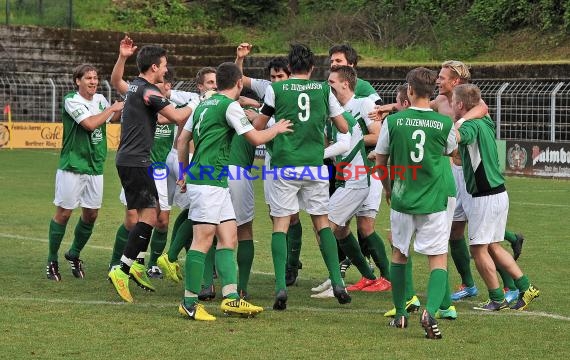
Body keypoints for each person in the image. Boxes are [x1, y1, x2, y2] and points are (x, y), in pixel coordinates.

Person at [176, 62, 292, 321]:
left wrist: (184, 172)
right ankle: (189, 302)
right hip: (208, 182)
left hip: (212, 180)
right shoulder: (229, 106)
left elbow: (182, 141)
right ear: (239, 83)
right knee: (203, 239)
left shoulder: (203, 105)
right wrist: (278, 127)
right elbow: (256, 138)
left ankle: (230, 299)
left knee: (229, 237)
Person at [254, 43, 350, 310]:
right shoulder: (323, 89)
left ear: (289, 66)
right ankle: (337, 281)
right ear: (312, 67)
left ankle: (281, 287)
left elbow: (259, 127)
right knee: (321, 223)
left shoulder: (276, 89)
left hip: (285, 166)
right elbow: (343, 126)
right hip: (314, 165)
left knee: (281, 225)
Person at [107, 42, 195, 303]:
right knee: (148, 215)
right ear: (154, 67)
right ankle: (122, 268)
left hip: (131, 159)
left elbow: (116, 82)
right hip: (136, 161)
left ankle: (132, 265)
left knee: (150, 213)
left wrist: (122, 57)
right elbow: (179, 117)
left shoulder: (135, 86)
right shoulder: (147, 91)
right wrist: (197, 101)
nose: (166, 71)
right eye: (164, 66)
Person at [375, 67, 456, 339]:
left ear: (409, 90)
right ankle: (430, 311)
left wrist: (388, 190)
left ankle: (400, 314)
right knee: (437, 258)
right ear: (431, 91)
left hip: (401, 198)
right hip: (433, 201)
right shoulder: (444, 123)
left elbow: (380, 161)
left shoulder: (394, 122)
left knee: (400, 254)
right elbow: (452, 151)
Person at [452, 84, 540, 311]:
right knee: (494, 246)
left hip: (484, 196)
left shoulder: (470, 125)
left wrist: (453, 129)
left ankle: (496, 298)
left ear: (460, 105)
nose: (451, 105)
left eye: (453, 102)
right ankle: (526, 287)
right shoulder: (485, 121)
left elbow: (459, 137)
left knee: (478, 250)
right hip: (499, 192)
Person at [234, 43, 304, 287]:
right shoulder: (268, 89)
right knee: (276, 213)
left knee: (292, 215)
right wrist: (239, 58)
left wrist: (255, 113)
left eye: (280, 76)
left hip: (295, 158)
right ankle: (286, 258)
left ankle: (292, 263)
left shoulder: (297, 91)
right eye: (272, 77)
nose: (275, 81)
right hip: (273, 161)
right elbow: (238, 80)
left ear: (290, 75)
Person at [46, 64, 123, 281]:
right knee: (64, 213)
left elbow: (112, 118)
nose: (93, 81)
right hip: (73, 165)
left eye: (95, 78)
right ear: (77, 81)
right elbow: (90, 124)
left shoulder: (99, 99)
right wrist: (112, 109)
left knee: (91, 214)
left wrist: (126, 106)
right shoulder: (72, 100)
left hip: (95, 165)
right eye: (88, 78)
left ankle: (74, 254)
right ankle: (52, 259)